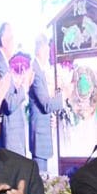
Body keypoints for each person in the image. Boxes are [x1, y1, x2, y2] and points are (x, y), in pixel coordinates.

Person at [0, 22, 32, 157]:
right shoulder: (0, 65)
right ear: (3, 40)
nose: (14, 44)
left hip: (14, 135)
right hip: (11, 136)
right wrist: (23, 88)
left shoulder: (4, 64)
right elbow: (9, 104)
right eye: (12, 39)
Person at [28, 34, 65, 174]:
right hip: (39, 133)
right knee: (41, 178)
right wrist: (64, 95)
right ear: (40, 49)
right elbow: (46, 105)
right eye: (47, 48)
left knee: (44, 177)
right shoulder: (36, 72)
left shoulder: (40, 70)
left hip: (43, 131)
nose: (49, 52)